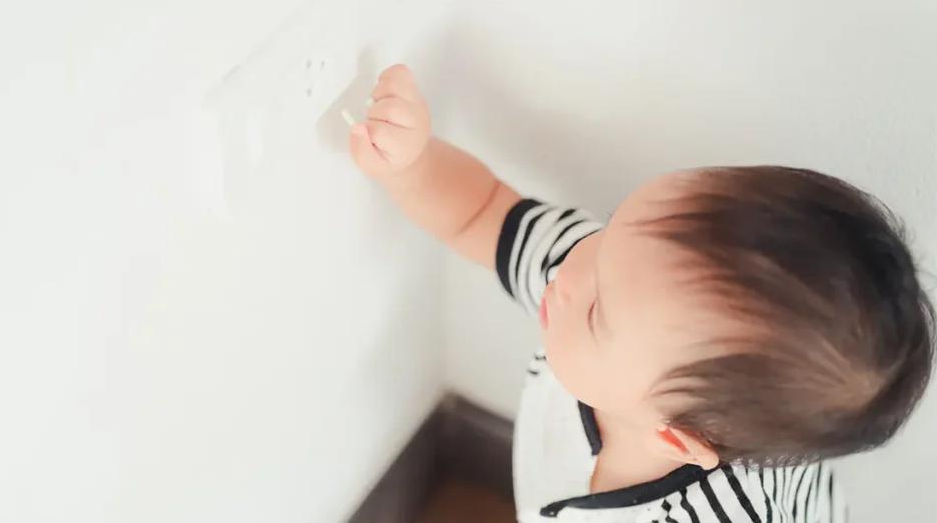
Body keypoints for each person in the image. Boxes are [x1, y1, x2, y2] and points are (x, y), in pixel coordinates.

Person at [345, 64, 935, 522]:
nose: (568, 268)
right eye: (611, 228)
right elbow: (481, 210)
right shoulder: (603, 280)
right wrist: (412, 165)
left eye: (600, 311)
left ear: (675, 436)